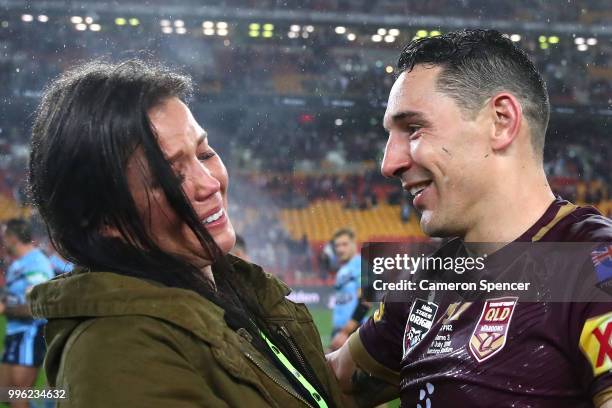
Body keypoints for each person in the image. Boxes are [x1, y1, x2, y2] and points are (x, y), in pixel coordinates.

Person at [27, 59, 344, 408]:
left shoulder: (224, 287)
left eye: (205, 153)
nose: (210, 183)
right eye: (171, 177)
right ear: (105, 219)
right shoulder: (121, 356)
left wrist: (391, 329)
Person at [327, 29, 612, 407]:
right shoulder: (430, 278)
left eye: (413, 128)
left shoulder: (594, 267)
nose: (388, 163)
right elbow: (331, 385)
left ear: (501, 121)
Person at [0, 218, 54, 408]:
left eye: (4, 236)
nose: (2, 240)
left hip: (30, 334)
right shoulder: (17, 265)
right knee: (5, 393)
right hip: (15, 334)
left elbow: (38, 307)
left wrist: (5, 309)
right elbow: (13, 298)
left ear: (13, 238)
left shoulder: (36, 263)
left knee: (18, 396)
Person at [328, 228, 369, 351]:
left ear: (353, 244)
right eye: (337, 245)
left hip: (352, 332)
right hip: (340, 330)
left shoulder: (360, 265)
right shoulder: (343, 269)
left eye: (344, 244)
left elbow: (366, 301)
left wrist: (345, 332)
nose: (340, 249)